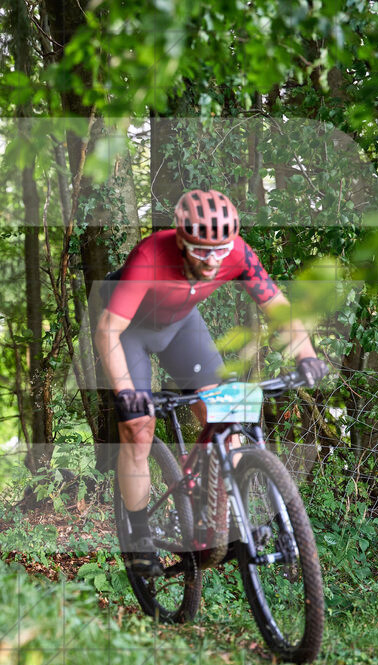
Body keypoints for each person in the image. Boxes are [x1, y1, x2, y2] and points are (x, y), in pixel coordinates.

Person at [94, 189, 328, 576]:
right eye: (202, 251)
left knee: (225, 413)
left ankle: (219, 514)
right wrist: (128, 395)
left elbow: (278, 307)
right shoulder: (151, 255)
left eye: (220, 249)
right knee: (138, 429)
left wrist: (306, 355)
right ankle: (138, 536)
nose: (213, 260)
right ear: (182, 241)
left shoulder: (237, 252)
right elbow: (108, 330)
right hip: (128, 330)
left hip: (181, 326)